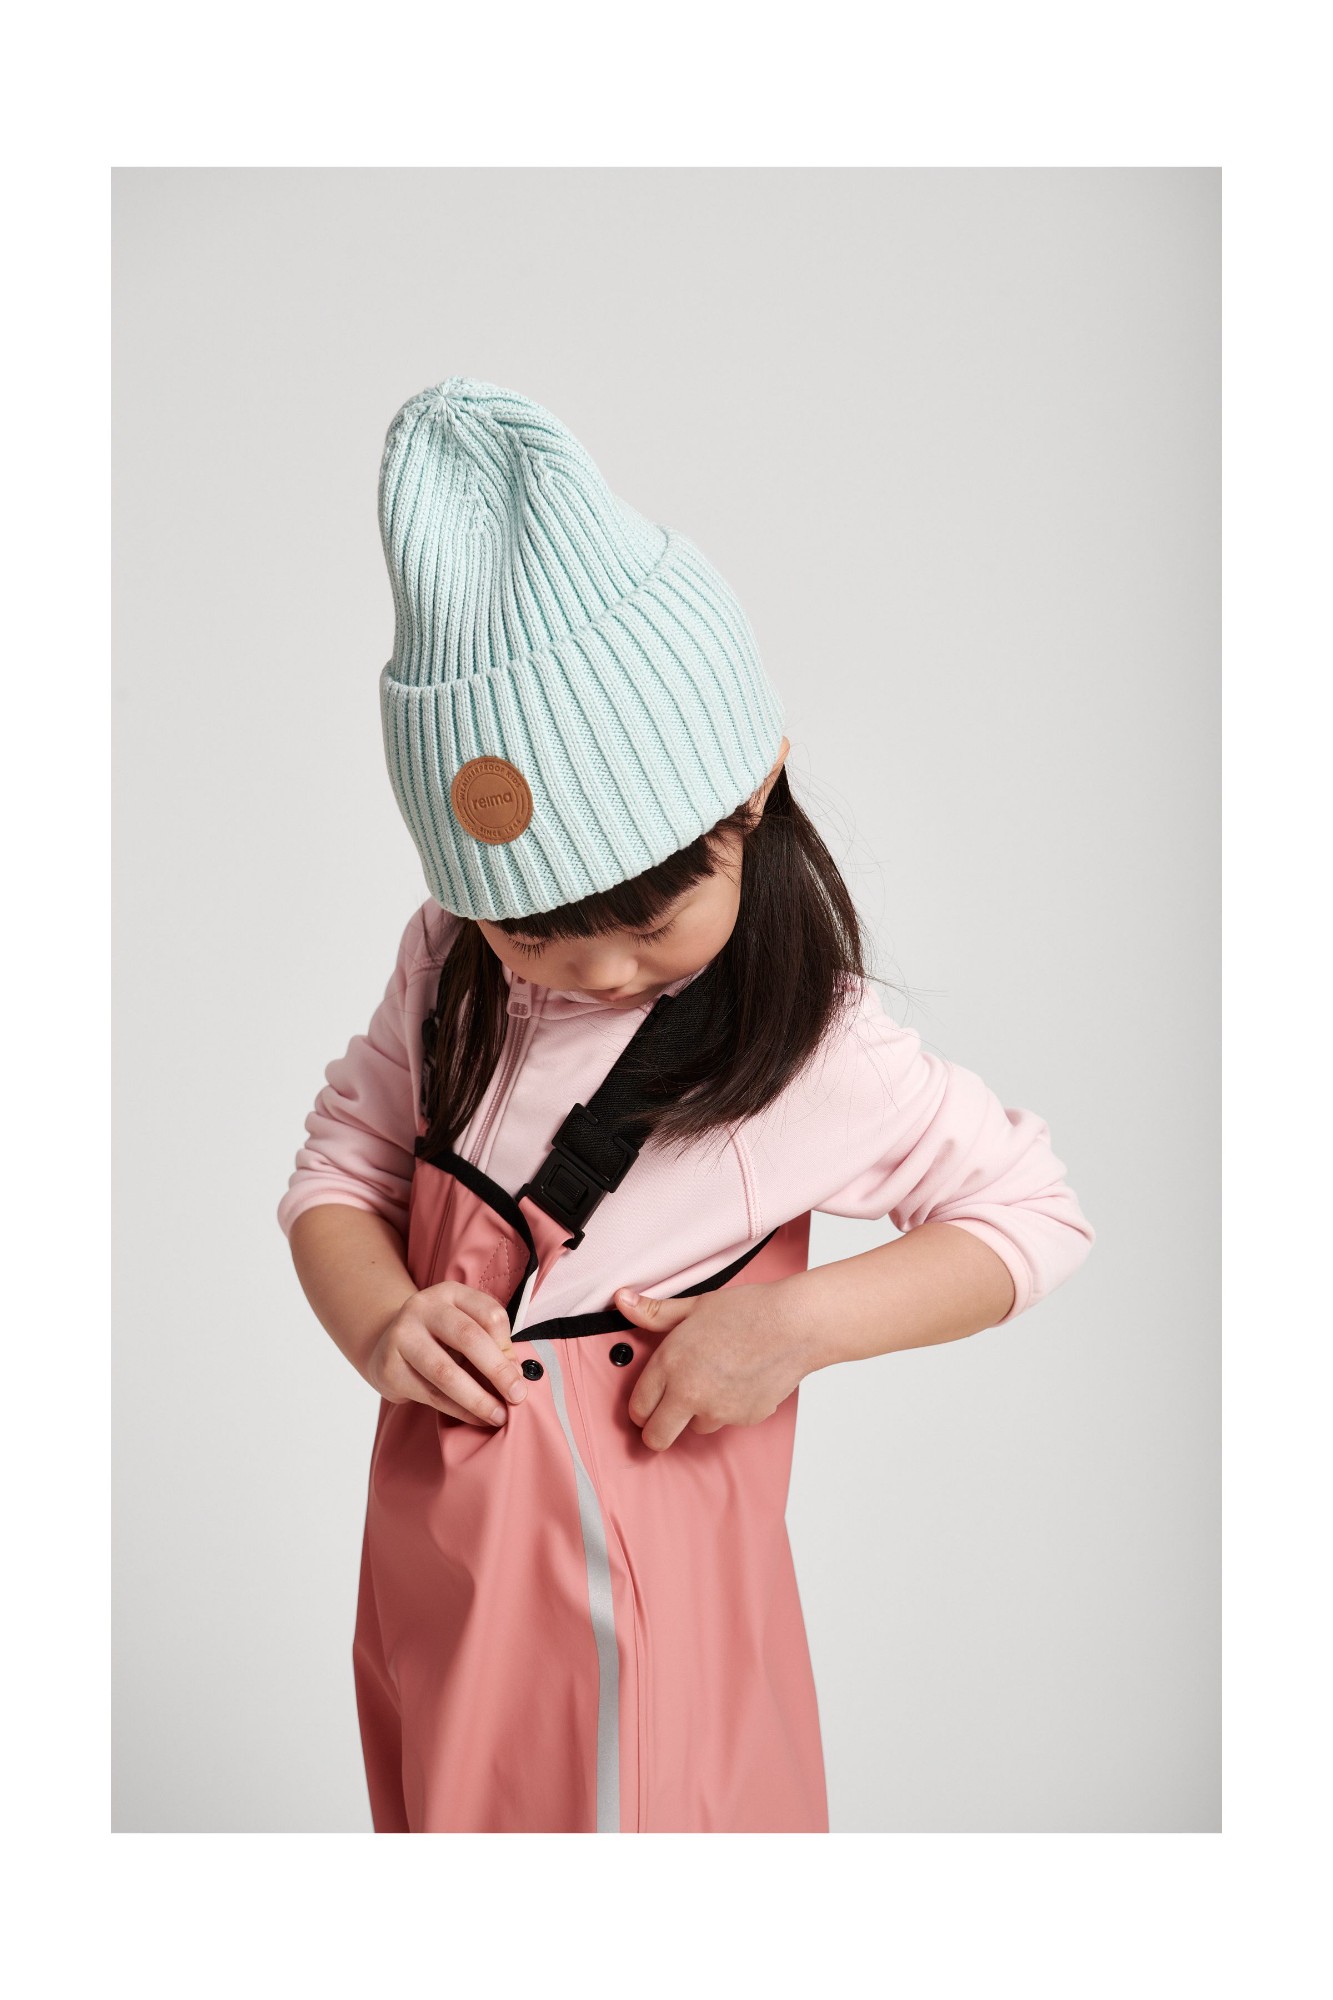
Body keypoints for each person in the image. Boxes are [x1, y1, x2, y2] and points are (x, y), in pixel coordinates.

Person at [278, 376, 1096, 1834]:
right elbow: (341, 1167)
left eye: (650, 918)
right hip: (435, 1561)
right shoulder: (450, 964)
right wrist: (381, 1319)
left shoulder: (816, 1049)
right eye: (534, 930)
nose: (594, 969)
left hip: (635, 1583)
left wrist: (796, 1327)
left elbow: (1032, 1214)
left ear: (753, 792)